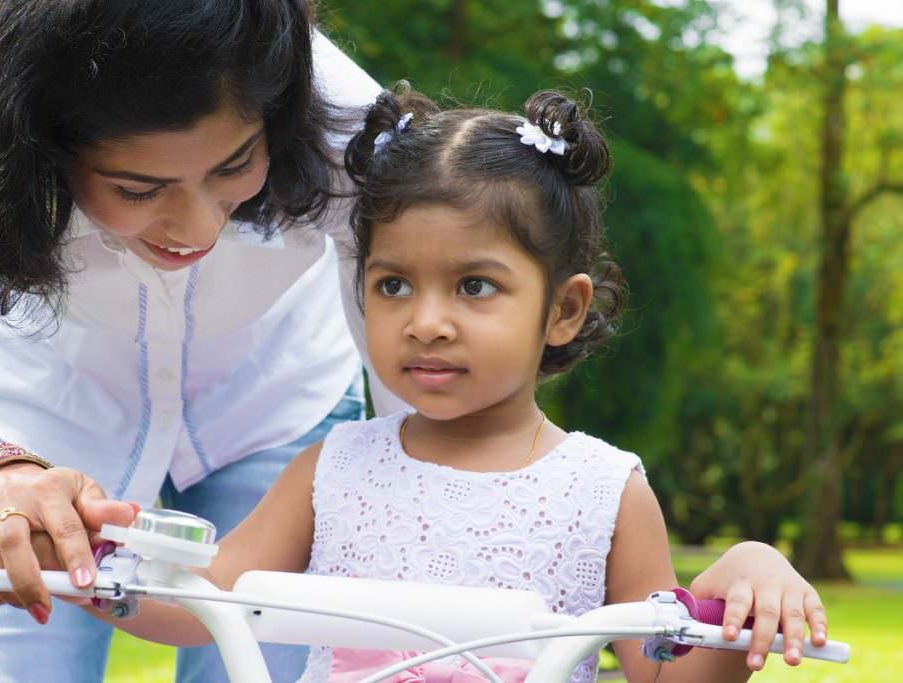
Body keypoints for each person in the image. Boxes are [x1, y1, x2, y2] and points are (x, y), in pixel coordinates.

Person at [91, 86, 829, 682]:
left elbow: (664, 671)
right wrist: (93, 560)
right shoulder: (331, 468)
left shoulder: (604, 489)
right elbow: (201, 603)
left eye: (474, 286)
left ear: (563, 309)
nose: (427, 321)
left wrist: (741, 575)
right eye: (393, 285)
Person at [0, 2, 401, 682]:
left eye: (235, 165)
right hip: (42, 419)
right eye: (138, 187)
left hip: (276, 402)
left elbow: (424, 389)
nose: (197, 227)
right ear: (45, 146)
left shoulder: (342, 111)